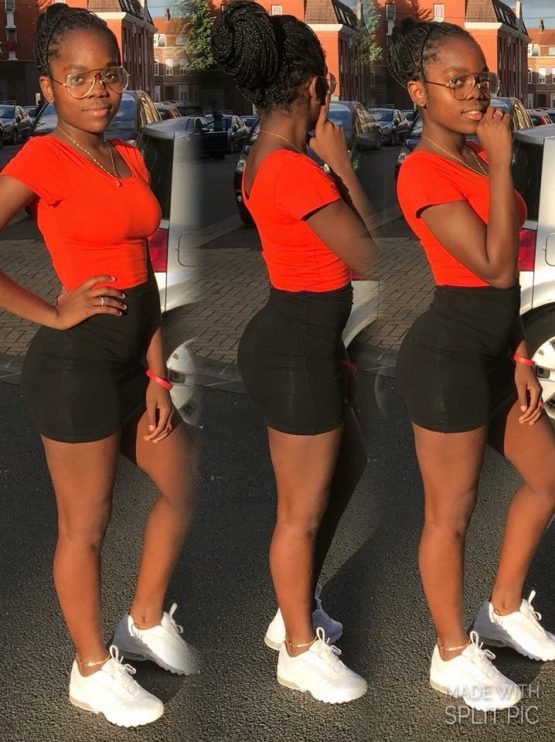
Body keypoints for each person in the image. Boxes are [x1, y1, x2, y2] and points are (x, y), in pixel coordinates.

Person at [0, 5, 198, 727]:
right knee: (85, 525)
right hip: (75, 368)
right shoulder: (40, 159)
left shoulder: (129, 156)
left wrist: (156, 373)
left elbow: (143, 271)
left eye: (107, 74)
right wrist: (53, 313)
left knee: (183, 485)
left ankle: (142, 620)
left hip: (132, 368)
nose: (97, 89)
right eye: (76, 77)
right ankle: (89, 667)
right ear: (48, 86)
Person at [212, 1, 377, 704]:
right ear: (314, 88)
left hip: (305, 338)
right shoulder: (295, 169)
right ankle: (298, 647)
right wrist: (342, 165)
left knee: (349, 464)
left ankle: (295, 604)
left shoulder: (270, 157)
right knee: (299, 512)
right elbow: (367, 252)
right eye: (326, 89)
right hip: (293, 347)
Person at [390, 18, 555, 711]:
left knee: (547, 476)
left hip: (494, 354)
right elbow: (492, 266)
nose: (473, 93)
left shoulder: (475, 158)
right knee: (449, 516)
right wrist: (502, 163)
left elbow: (507, 283)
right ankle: (452, 652)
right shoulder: (421, 171)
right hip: (447, 361)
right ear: (418, 92)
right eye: (454, 82)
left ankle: (503, 608)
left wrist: (517, 351)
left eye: (479, 80)